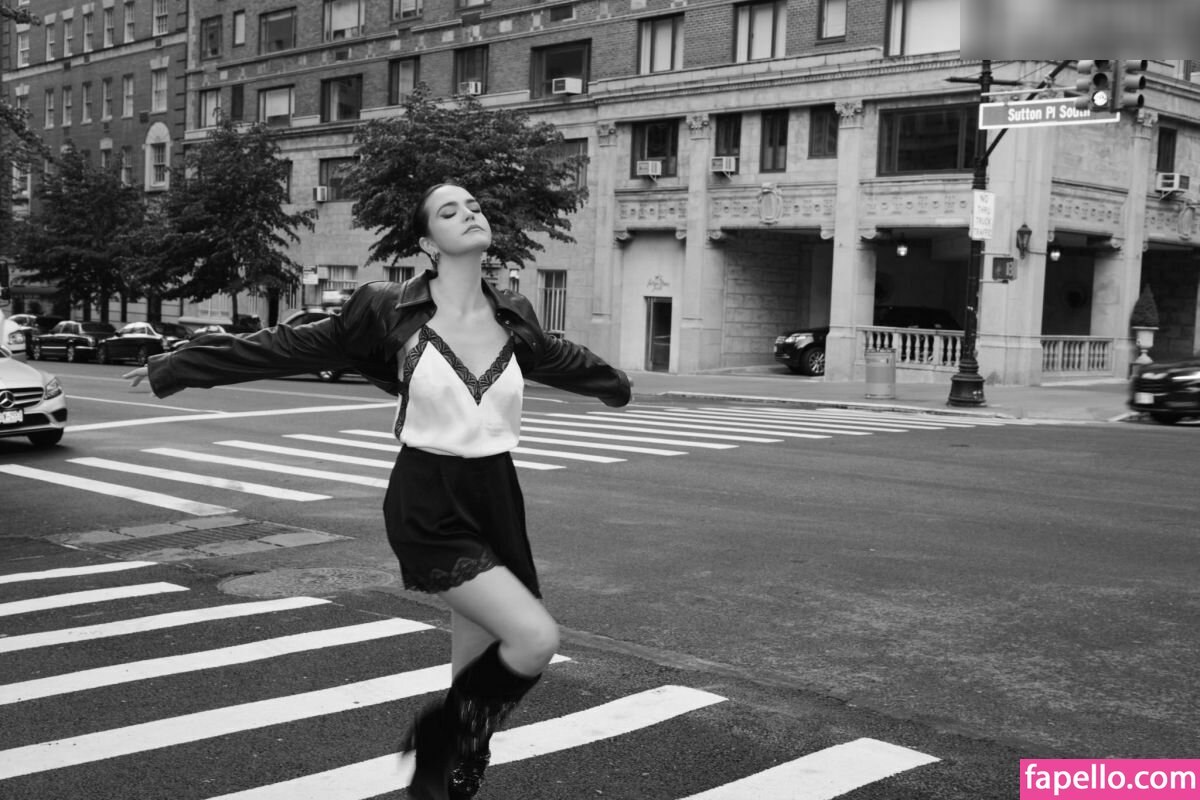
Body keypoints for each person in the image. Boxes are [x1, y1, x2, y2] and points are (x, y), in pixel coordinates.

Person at [125, 183, 632, 800]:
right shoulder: (388, 309)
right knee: (534, 638)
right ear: (427, 242)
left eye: (474, 206)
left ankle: (451, 770)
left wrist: (615, 385)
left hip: (497, 494)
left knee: (476, 667)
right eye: (449, 211)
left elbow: (559, 357)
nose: (469, 214)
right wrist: (179, 366)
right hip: (429, 497)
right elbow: (290, 346)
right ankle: (439, 737)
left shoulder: (513, 313)